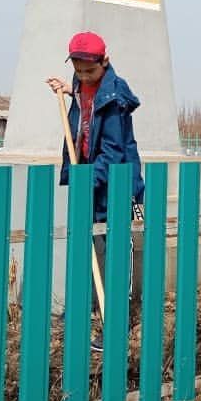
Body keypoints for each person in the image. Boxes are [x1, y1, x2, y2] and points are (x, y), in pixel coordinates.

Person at [46, 31, 144, 352]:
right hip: (88, 173)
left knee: (116, 249)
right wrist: (69, 89)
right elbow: (82, 108)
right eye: (78, 71)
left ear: (106, 61)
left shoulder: (114, 99)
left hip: (112, 181)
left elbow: (114, 150)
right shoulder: (82, 86)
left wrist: (89, 180)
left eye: (90, 71)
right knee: (88, 246)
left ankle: (118, 318)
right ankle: (92, 307)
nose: (84, 77)